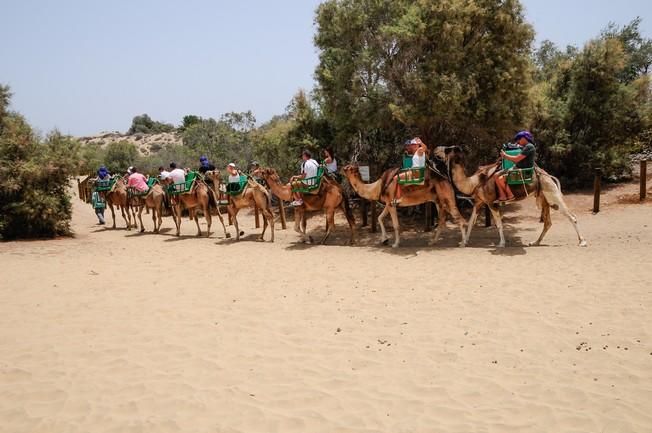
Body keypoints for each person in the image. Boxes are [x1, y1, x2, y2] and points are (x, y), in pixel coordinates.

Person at [495, 130, 536, 203]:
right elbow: (516, 159)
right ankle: (503, 195)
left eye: (519, 139)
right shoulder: (525, 147)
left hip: (521, 171)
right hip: (517, 167)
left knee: (500, 179)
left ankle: (510, 195)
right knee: (496, 175)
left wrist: (505, 156)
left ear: (524, 138)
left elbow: (516, 159)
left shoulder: (529, 147)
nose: (518, 141)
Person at [393, 137, 427, 205]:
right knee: (401, 175)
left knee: (395, 178)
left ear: (417, 145)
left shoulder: (419, 151)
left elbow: (424, 148)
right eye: (412, 144)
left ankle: (398, 198)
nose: (413, 146)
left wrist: (421, 143)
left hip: (415, 173)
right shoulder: (416, 153)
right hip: (415, 172)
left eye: (414, 144)